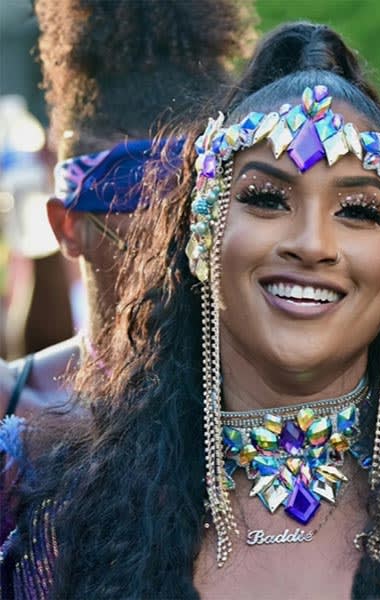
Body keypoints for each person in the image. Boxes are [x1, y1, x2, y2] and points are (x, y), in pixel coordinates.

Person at [1, 22, 380, 599]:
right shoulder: (55, 519)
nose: (312, 243)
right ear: (202, 236)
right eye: (266, 198)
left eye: (359, 211)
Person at [0, 0, 255, 419]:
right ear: (67, 227)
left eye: (207, 213)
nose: (189, 258)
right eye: (147, 237)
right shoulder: (19, 415)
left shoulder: (286, 407)